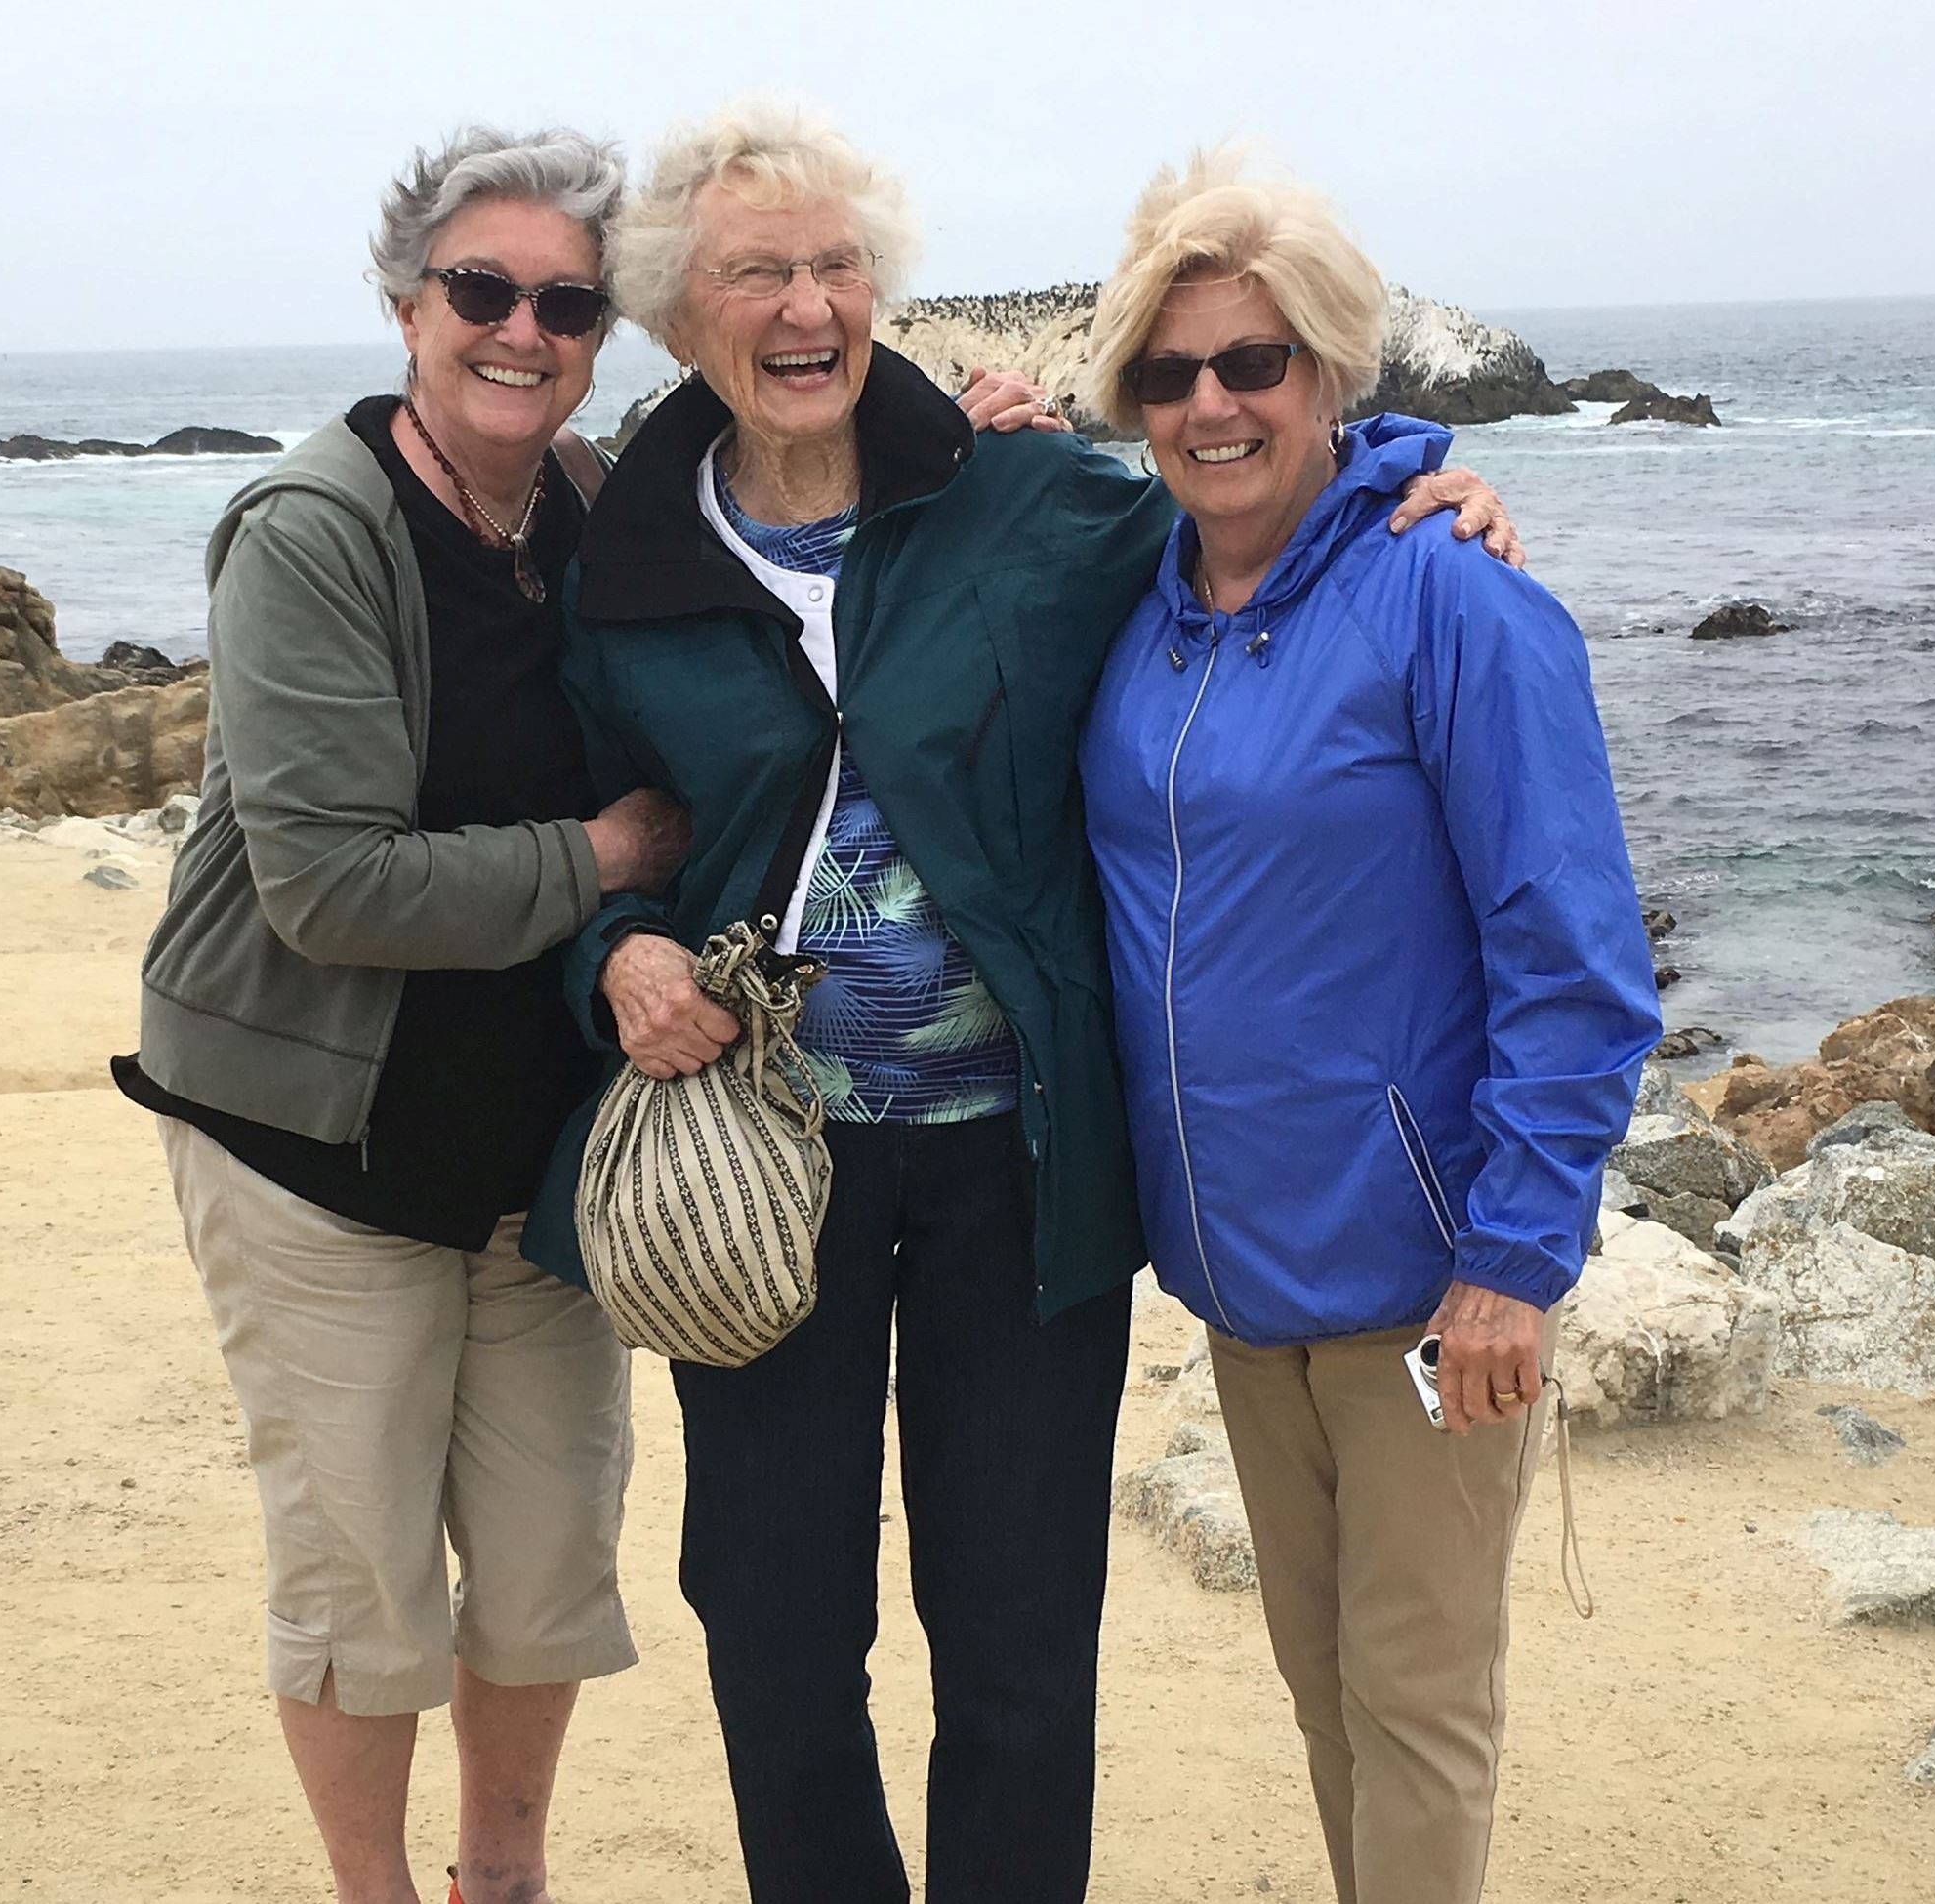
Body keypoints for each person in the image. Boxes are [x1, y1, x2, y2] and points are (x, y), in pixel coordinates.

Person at [520, 102, 1517, 1904]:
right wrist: (625, 953)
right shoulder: (628, 573)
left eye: (840, 264)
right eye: (761, 270)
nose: (809, 301)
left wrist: (1418, 477)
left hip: (1018, 1167)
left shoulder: (1030, 501)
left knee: (1021, 1641)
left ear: (881, 292)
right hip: (770, 1164)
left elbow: (1247, 498)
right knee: (773, 1627)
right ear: (683, 317)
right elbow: (614, 845)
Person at [110, 126, 689, 1904]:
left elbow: (821, 526)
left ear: (605, 330)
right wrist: (599, 860)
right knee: (363, 1585)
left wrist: (1388, 473)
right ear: (405, 302)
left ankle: (499, 1879)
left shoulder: (593, 507)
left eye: (567, 302)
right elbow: (334, 887)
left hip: (538, 1156)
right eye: (482, 290)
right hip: (314, 1144)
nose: (523, 328)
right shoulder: (311, 527)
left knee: (538, 1572)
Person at [1077, 148, 1663, 1904]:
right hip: (1242, 1278)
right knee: (1325, 1692)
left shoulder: (1456, 596)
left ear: (1334, 375)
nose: (1212, 403)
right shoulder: (1146, 604)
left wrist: (1514, 1255)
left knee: (1415, 1708)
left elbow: (1577, 959)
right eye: (1170, 373)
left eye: (1255, 362)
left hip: (1428, 1281)